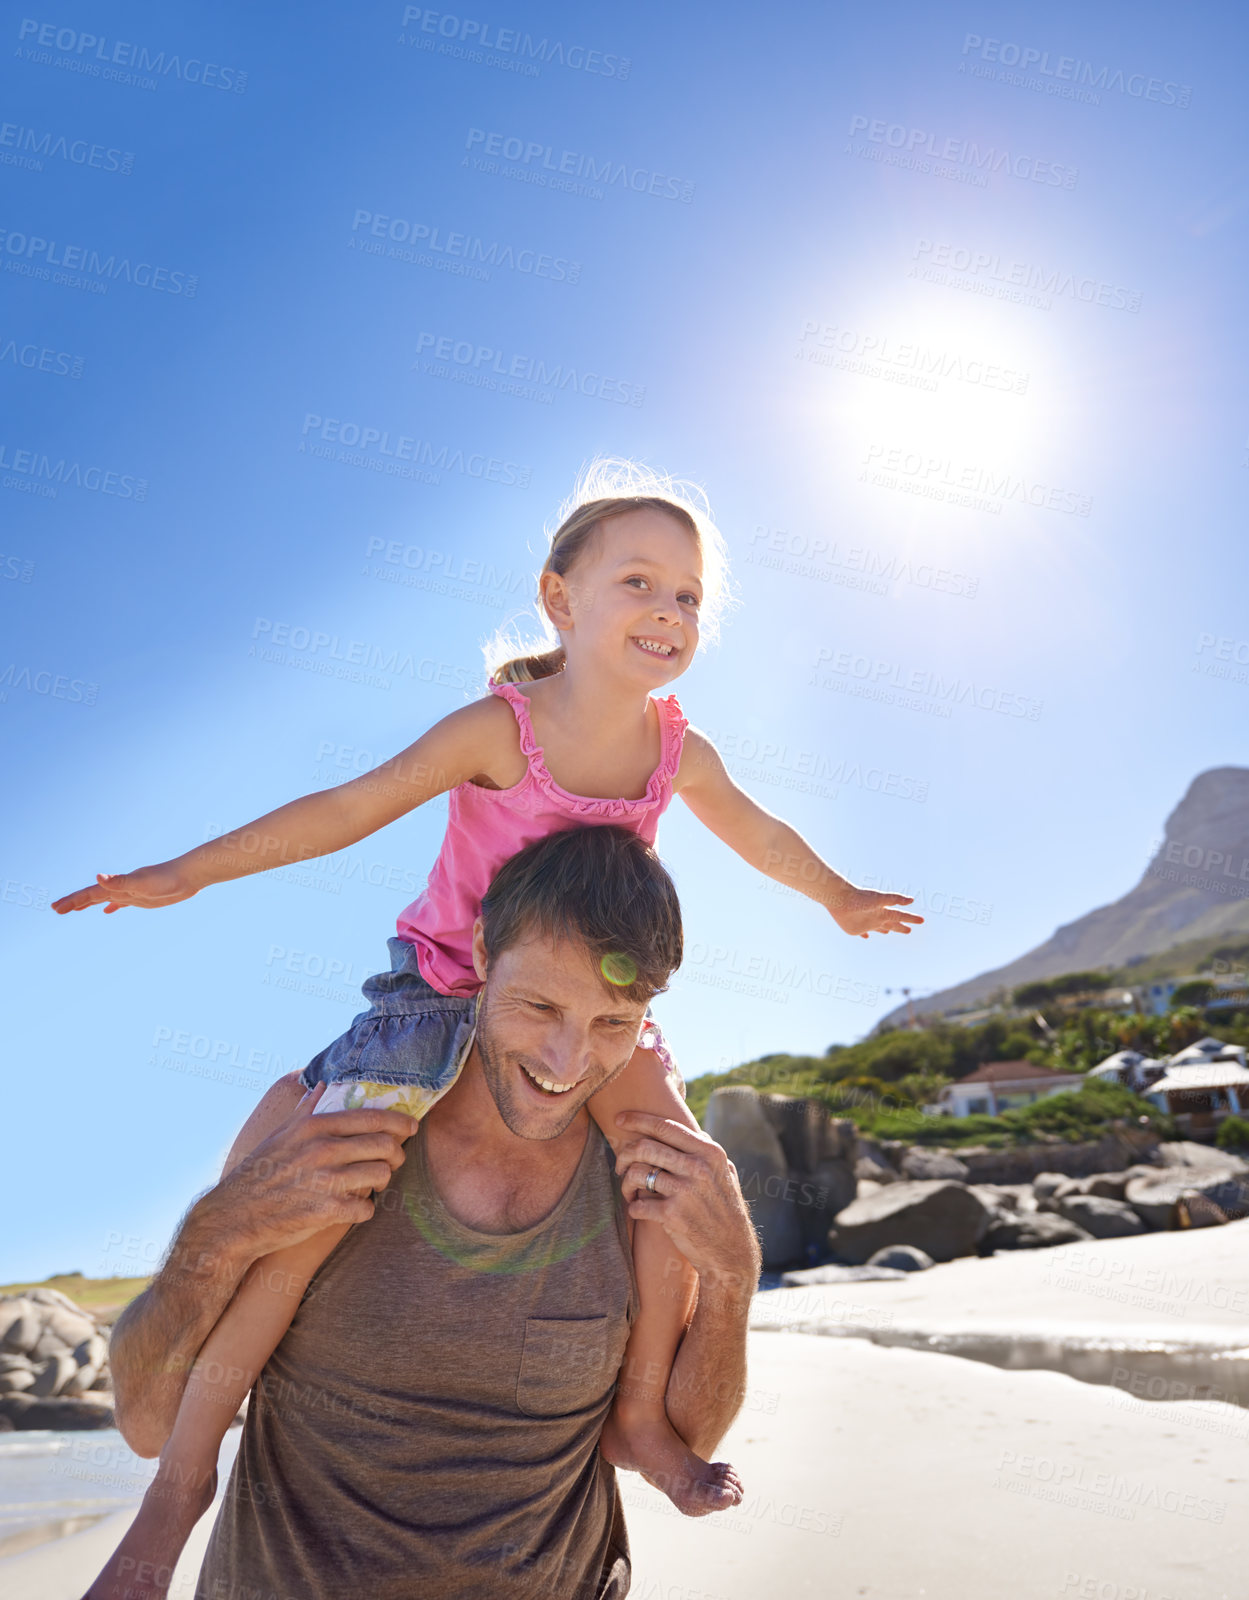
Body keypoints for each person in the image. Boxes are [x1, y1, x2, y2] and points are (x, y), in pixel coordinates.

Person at [58, 459, 921, 1583]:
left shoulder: (676, 751)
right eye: (639, 583)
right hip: (437, 988)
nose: (668, 611)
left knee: (677, 1170)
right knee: (310, 1210)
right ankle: (175, 1490)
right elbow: (349, 806)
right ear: (560, 599)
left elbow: (757, 836)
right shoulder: (502, 728)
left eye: (690, 596)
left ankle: (644, 1424)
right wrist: (187, 871)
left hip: (586, 999)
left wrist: (839, 895)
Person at [101, 826, 762, 1600]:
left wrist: (731, 1276)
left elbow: (673, 1441)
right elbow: (150, 1425)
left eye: (612, 1024)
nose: (565, 1062)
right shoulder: (314, 1123)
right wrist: (217, 1230)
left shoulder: (647, 1168)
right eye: (538, 1004)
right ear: (481, 954)